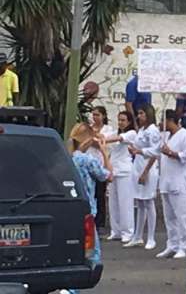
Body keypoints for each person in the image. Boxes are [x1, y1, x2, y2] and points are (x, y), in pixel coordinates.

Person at [68, 123, 113, 292]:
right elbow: (108, 176)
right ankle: (74, 287)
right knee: (92, 253)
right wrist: (105, 153)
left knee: (74, 248)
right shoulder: (87, 160)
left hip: (72, 208)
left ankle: (71, 286)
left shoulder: (68, 158)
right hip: (87, 208)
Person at [156, 110, 186, 259]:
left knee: (182, 216)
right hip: (166, 180)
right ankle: (172, 244)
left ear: (171, 120)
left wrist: (173, 153)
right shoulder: (165, 136)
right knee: (169, 217)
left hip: (180, 181)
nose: (161, 123)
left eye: (163, 120)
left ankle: (185, 246)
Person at [123, 104, 161, 250]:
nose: (139, 116)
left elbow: (155, 152)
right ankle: (137, 236)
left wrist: (145, 171)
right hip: (137, 167)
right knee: (139, 203)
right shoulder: (142, 130)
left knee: (148, 202)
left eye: (141, 113)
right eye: (138, 114)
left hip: (148, 169)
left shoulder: (153, 131)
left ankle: (151, 237)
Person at [104, 111, 137, 243]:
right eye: (119, 120)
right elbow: (105, 136)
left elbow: (118, 139)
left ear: (129, 122)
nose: (120, 122)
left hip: (125, 171)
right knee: (113, 203)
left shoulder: (132, 133)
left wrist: (103, 140)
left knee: (125, 203)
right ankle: (115, 231)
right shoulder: (115, 133)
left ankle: (127, 232)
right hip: (113, 171)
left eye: (123, 120)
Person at [89, 106, 114, 236]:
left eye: (97, 115)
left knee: (100, 194)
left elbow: (101, 142)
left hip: (101, 164)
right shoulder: (89, 127)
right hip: (89, 163)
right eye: (93, 115)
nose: (95, 117)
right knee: (90, 193)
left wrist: (93, 137)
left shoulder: (108, 130)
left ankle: (100, 223)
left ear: (103, 116)